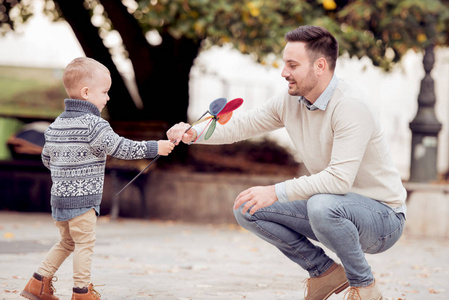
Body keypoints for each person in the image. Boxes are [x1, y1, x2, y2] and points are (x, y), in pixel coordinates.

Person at [166, 25, 406, 300]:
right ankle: (324, 273)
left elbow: (339, 180)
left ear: (320, 65)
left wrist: (275, 191)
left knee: (321, 204)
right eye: (284, 64)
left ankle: (365, 286)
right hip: (332, 207)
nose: (284, 72)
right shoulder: (292, 101)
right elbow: (242, 125)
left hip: (383, 219)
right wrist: (193, 133)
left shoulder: (351, 106)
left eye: (292, 65)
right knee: (248, 207)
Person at [20, 57, 174, 300]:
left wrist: (65, 172)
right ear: (86, 92)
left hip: (59, 199)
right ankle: (81, 292)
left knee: (66, 242)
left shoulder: (56, 125)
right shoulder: (95, 125)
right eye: (105, 92)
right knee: (84, 244)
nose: (108, 97)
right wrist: (155, 148)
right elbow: (122, 148)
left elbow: (46, 159)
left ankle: (37, 283)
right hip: (82, 199)